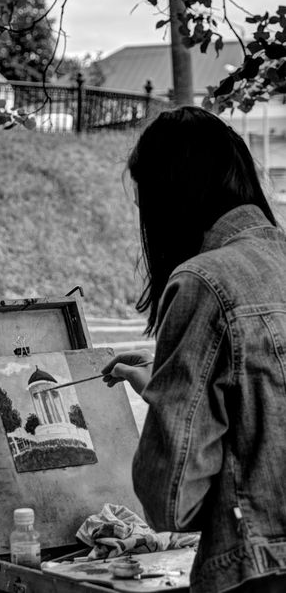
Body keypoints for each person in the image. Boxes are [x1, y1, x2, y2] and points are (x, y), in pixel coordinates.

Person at [101, 106, 286, 593]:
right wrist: (166, 386)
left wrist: (172, 402)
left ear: (169, 196)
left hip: (260, 571)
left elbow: (172, 501)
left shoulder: (205, 283)